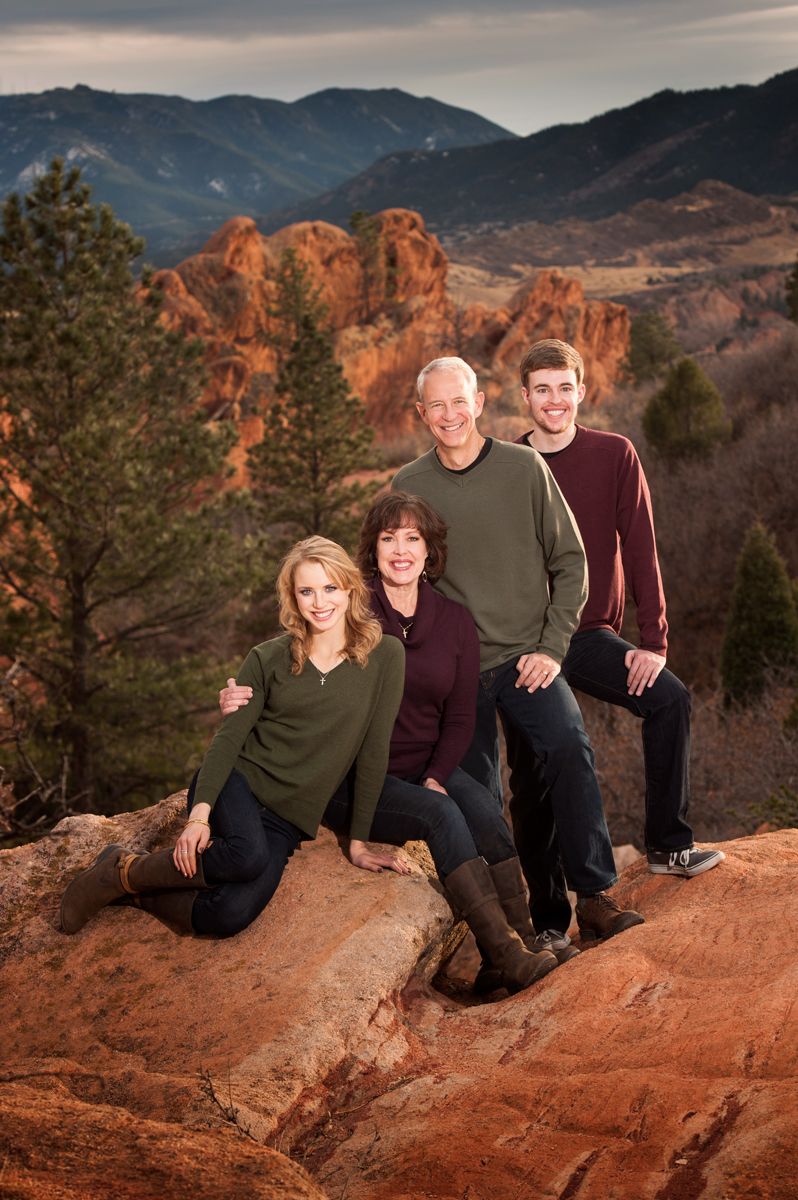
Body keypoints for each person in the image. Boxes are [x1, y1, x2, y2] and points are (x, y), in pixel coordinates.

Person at [219, 493, 560, 992]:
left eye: (412, 538)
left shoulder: (455, 621)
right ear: (372, 550)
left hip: (424, 762)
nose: (400, 550)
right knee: (441, 816)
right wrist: (237, 697)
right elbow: (293, 666)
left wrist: (436, 777)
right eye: (387, 538)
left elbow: (461, 714)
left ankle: (514, 951)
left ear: (429, 551)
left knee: (487, 815)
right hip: (351, 773)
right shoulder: (350, 610)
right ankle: (506, 953)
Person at [392, 356, 644, 950]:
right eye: (437, 406)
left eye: (461, 402)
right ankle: (516, 934)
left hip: (525, 658)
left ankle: (596, 899)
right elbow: (399, 580)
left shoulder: (524, 467)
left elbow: (572, 560)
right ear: (422, 414)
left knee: (567, 749)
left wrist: (553, 648)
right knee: (475, 798)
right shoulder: (411, 485)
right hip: (453, 675)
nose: (450, 415)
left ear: (479, 403)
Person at [60, 536, 406, 939]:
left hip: (288, 817)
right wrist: (199, 817)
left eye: (330, 587)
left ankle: (127, 883)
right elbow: (228, 741)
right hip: (238, 783)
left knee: (229, 915)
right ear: (293, 598)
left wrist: (359, 842)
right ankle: (125, 869)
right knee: (247, 856)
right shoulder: (267, 658)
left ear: (349, 589)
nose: (319, 601)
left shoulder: (386, 656)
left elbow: (373, 750)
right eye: (306, 590)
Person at [505, 338, 724, 937]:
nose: (555, 400)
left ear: (583, 391)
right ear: (524, 397)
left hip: (592, 632)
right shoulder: (506, 462)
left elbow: (642, 545)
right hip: (525, 645)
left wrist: (653, 642)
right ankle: (549, 920)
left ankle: (668, 845)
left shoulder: (615, 454)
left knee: (670, 698)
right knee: (532, 776)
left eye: (565, 387)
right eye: (542, 389)